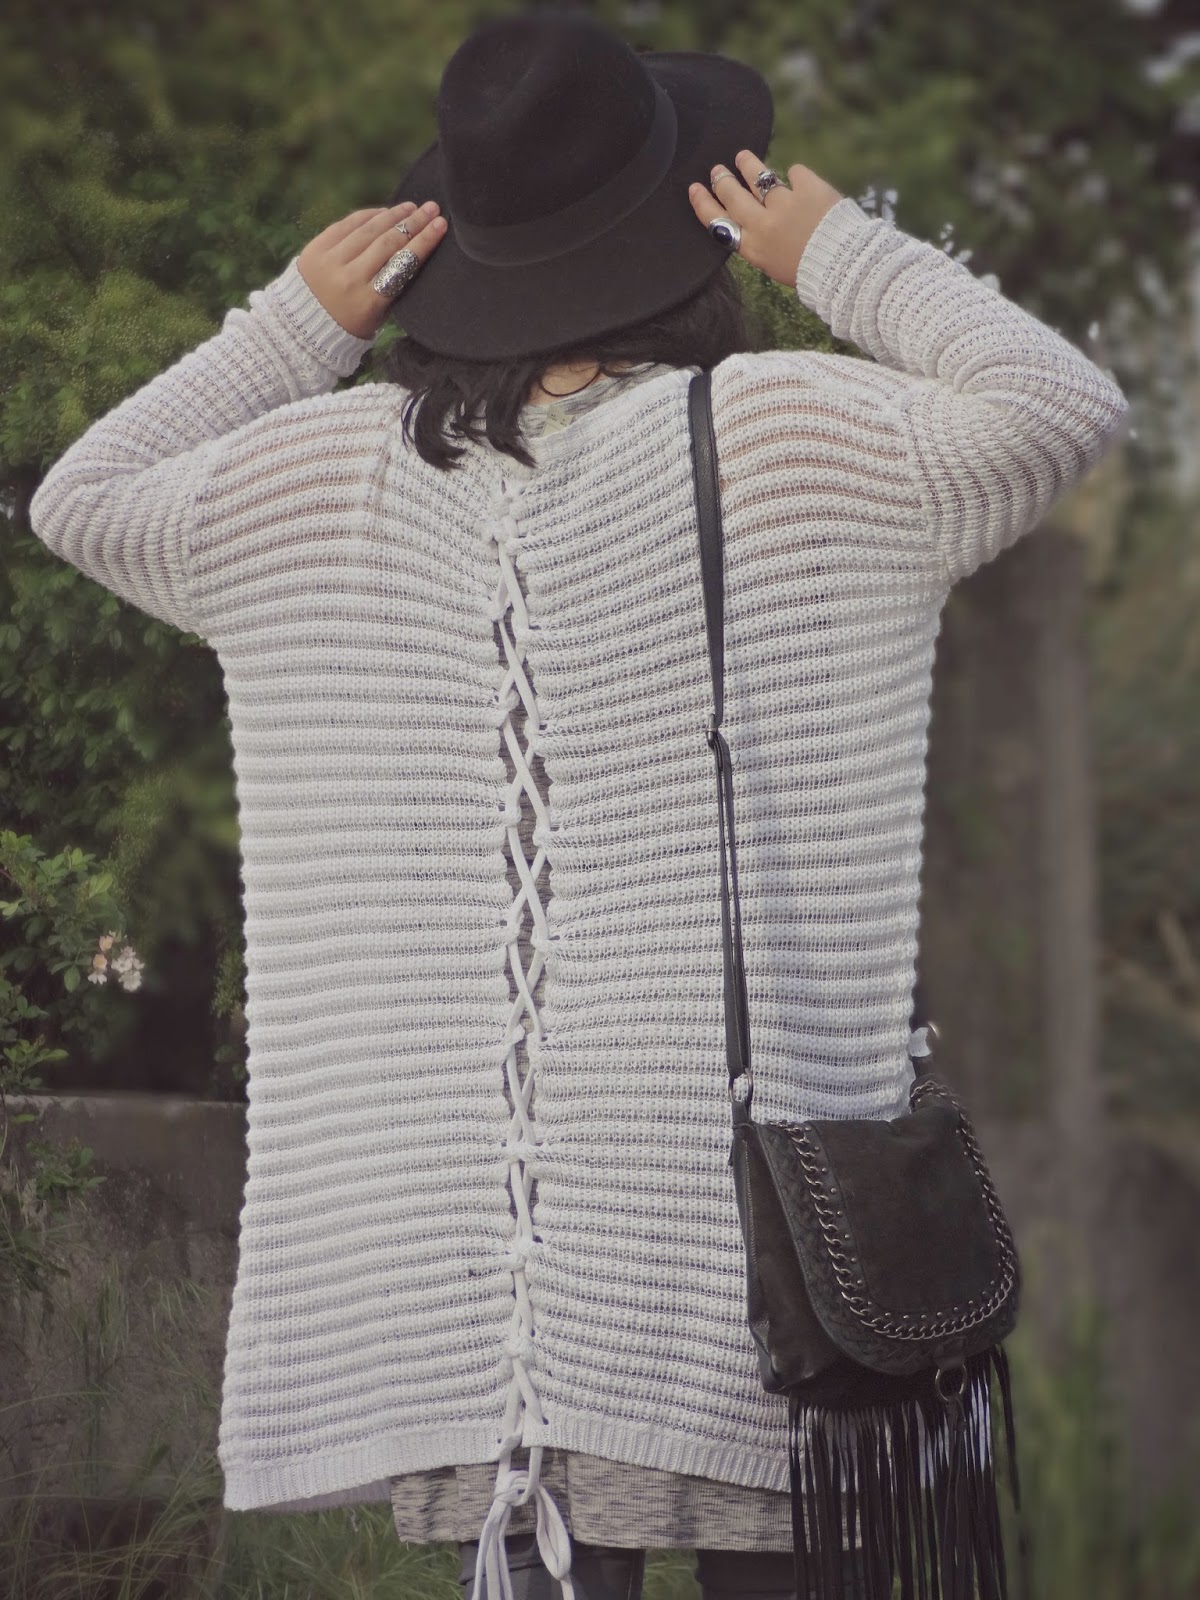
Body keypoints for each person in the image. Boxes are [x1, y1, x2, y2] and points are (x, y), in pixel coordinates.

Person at [26, 9, 1130, 1600]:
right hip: (762, 1247)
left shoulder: (318, 479)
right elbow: (1059, 407)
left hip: (467, 1279)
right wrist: (837, 250)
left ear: (456, 245)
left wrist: (294, 324)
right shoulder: (792, 434)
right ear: (686, 216)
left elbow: (83, 500)